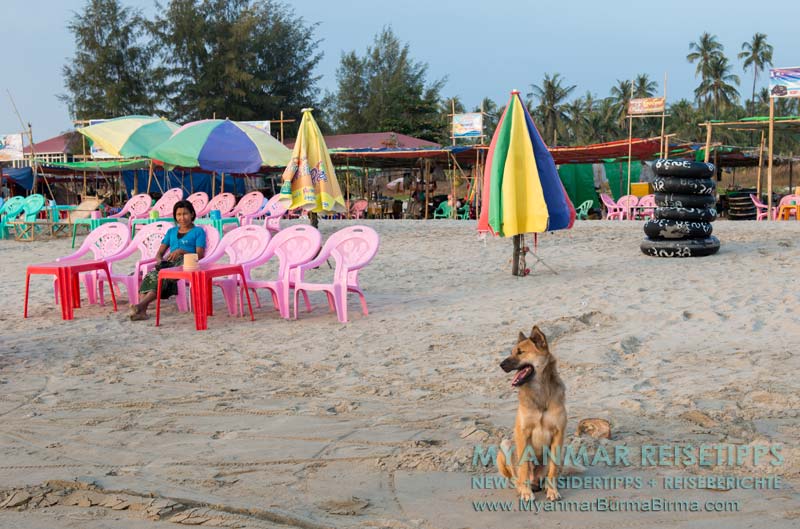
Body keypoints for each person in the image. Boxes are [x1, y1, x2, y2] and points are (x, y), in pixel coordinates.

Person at [129, 200, 206, 321]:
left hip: (187, 262)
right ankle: (142, 311)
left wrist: (181, 251)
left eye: (185, 214)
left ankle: (141, 306)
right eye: (178, 214)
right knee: (152, 275)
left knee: (163, 277)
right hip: (169, 263)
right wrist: (159, 260)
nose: (182, 217)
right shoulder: (171, 232)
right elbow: (159, 253)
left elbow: (200, 254)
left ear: (192, 214)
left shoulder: (198, 231)